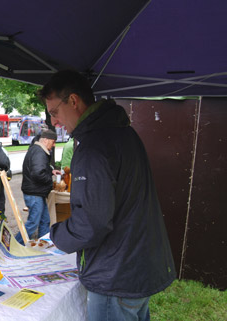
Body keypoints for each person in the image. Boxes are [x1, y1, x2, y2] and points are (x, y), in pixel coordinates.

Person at [39, 69, 176, 321]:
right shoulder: (124, 133)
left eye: (54, 113)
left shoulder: (93, 145)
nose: (53, 122)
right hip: (136, 264)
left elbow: (91, 223)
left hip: (117, 273)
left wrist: (57, 234)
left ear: (73, 101)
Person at [14, 129, 60, 245]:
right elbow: (38, 173)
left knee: (45, 220)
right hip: (34, 193)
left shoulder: (38, 150)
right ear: (45, 140)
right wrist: (50, 180)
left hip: (36, 192)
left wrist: (50, 170)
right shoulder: (39, 152)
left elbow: (40, 168)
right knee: (33, 222)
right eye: (53, 142)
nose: (54, 145)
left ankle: (43, 244)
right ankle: (16, 244)